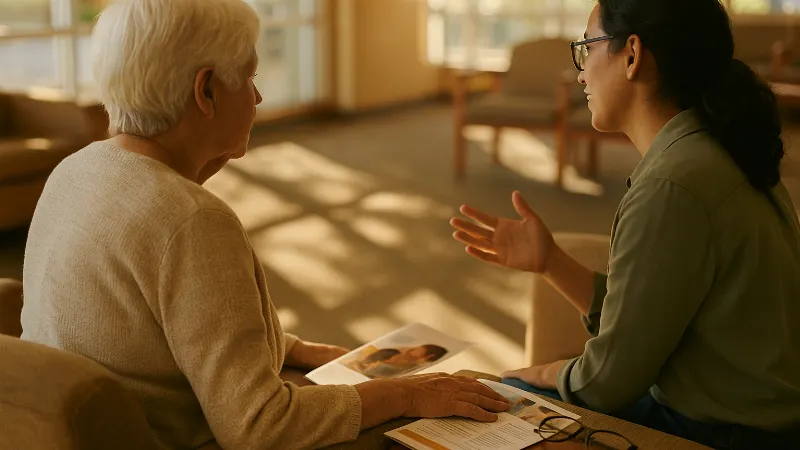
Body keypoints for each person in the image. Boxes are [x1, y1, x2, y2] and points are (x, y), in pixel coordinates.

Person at [19, 1, 509, 449]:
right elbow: (258, 427)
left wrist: (289, 348)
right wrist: (407, 395)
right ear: (206, 90)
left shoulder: (75, 171)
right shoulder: (191, 219)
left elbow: (137, 324)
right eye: (249, 78)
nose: (256, 97)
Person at [450, 0, 800, 448]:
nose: (580, 73)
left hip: (722, 431)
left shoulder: (673, 185)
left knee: (495, 397)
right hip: (761, 415)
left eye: (587, 47)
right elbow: (643, 318)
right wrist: (551, 262)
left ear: (632, 55)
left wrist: (543, 372)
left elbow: (604, 383)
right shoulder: (720, 150)